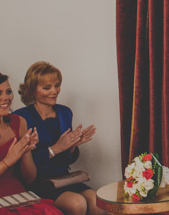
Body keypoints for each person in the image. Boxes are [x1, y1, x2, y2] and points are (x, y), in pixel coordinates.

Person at [14, 62, 106, 215]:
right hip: (38, 182)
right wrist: (55, 148)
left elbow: (67, 160)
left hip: (63, 178)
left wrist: (73, 145)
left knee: (97, 202)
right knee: (77, 203)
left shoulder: (65, 112)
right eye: (47, 87)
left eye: (57, 85)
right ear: (32, 90)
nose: (54, 91)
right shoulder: (21, 117)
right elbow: (20, 162)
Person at [0, 68, 64, 214]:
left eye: (8, 92)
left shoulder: (19, 122)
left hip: (17, 196)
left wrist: (25, 151)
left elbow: (29, 179)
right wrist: (7, 161)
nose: (6, 98)